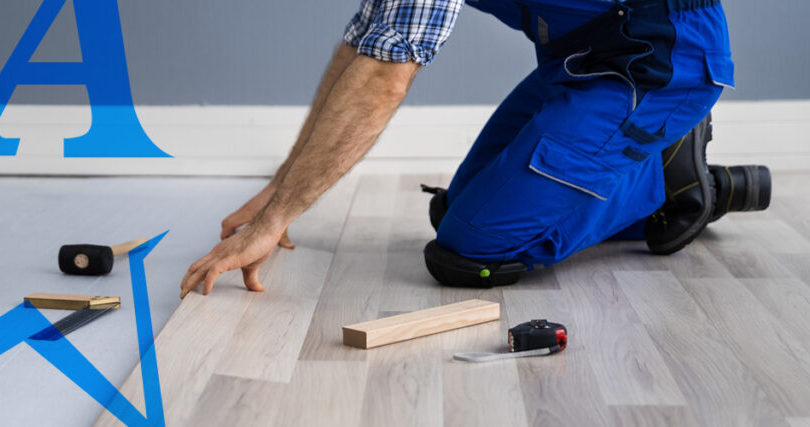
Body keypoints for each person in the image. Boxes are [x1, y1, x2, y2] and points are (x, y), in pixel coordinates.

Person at [180, 0, 769, 296]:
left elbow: (386, 74)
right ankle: (651, 161)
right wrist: (281, 189)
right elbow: (363, 45)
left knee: (471, 250)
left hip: (659, 66)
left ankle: (674, 181)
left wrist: (281, 214)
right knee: (454, 212)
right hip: (584, 63)